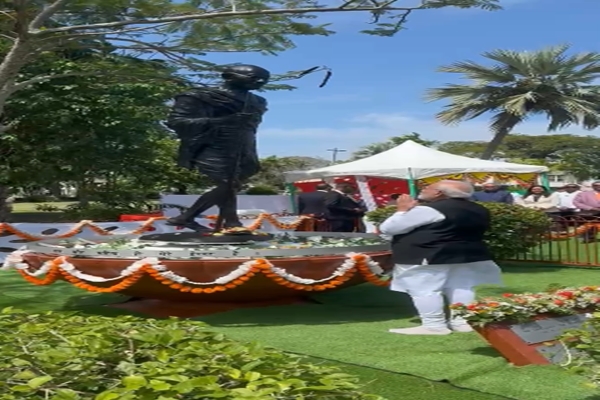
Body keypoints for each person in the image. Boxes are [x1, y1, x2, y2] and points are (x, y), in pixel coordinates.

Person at [378, 180, 502, 335]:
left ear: (439, 193)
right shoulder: (479, 209)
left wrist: (401, 210)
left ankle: (434, 325)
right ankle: (462, 322)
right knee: (461, 286)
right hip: (467, 254)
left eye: (428, 187)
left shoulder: (429, 210)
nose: (424, 189)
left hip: (428, 254)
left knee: (424, 288)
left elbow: (388, 228)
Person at [164, 64, 270, 232]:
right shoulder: (199, 96)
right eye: (253, 77)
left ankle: (190, 217)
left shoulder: (258, 101)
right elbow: (177, 122)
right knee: (228, 182)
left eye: (264, 79)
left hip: (245, 146)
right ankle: (230, 222)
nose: (259, 82)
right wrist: (224, 121)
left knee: (232, 183)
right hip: (212, 144)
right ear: (228, 76)